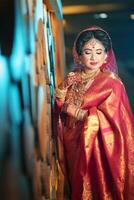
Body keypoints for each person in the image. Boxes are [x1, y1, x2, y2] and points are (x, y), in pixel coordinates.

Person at [54, 26, 134, 200]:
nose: (93, 57)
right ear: (79, 54)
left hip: (97, 147)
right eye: (88, 51)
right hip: (70, 144)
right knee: (75, 186)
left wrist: (79, 114)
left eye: (99, 52)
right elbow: (57, 106)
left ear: (106, 55)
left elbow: (117, 121)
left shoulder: (112, 83)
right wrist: (63, 87)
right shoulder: (72, 77)